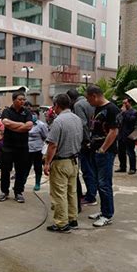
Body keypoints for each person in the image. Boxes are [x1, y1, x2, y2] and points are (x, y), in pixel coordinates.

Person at [44, 94, 83, 233]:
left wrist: (47, 162)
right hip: (74, 161)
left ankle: (61, 223)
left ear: (56, 105)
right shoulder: (77, 119)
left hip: (61, 162)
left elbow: (53, 145)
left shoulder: (58, 121)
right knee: (71, 192)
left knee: (59, 194)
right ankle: (73, 219)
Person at [86, 85, 120, 227]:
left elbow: (114, 131)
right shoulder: (98, 109)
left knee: (105, 184)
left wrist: (102, 149)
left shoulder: (112, 109)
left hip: (105, 153)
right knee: (100, 183)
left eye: (88, 99)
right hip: (95, 151)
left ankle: (107, 215)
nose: (88, 102)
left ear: (94, 95)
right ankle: (103, 210)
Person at [0, 92, 33, 203]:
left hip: (22, 147)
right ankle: (4, 191)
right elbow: (5, 123)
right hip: (8, 146)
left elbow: (29, 126)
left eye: (23, 99)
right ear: (13, 100)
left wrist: (14, 126)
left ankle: (18, 192)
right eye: (20, 99)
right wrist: (22, 125)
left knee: (21, 171)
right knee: (5, 170)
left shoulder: (26, 112)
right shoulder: (6, 111)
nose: (22, 101)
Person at [68, 89, 97, 206]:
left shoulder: (78, 105)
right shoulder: (89, 102)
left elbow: (82, 124)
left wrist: (85, 141)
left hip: (86, 141)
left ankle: (91, 196)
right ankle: (92, 193)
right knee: (92, 168)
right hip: (94, 138)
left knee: (86, 169)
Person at [115, 98, 137, 174]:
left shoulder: (134, 112)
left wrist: (125, 112)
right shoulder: (122, 112)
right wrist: (122, 112)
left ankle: (133, 168)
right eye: (123, 103)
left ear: (130, 103)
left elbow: (131, 121)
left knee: (130, 152)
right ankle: (122, 167)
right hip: (121, 135)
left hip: (129, 135)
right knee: (121, 152)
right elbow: (117, 120)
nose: (124, 105)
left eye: (125, 103)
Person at [28, 110, 48, 191]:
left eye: (34, 114)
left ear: (38, 115)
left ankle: (37, 183)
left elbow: (45, 136)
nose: (33, 116)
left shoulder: (41, 125)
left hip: (37, 149)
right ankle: (21, 183)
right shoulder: (27, 123)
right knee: (25, 167)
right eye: (31, 114)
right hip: (27, 149)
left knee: (38, 167)